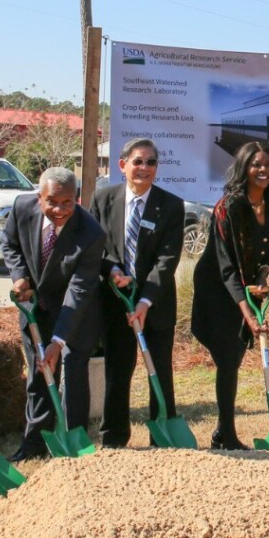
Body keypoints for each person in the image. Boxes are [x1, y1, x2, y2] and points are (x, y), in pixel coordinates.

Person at [2, 166, 105, 461]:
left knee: (73, 371)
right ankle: (34, 443)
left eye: (67, 203)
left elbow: (80, 289)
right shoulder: (21, 208)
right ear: (39, 198)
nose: (59, 210)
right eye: (52, 202)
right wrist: (20, 276)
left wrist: (58, 341)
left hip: (77, 312)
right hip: (35, 310)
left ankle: (74, 440)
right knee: (38, 375)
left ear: (77, 199)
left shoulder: (90, 233)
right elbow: (9, 244)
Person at [90, 138, 184, 448]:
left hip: (155, 304)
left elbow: (167, 259)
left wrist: (145, 301)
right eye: (138, 161)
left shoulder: (171, 205)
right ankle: (114, 438)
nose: (144, 168)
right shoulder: (102, 200)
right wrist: (112, 271)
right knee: (118, 372)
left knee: (159, 370)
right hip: (116, 303)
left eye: (151, 162)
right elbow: (96, 249)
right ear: (123, 165)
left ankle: (163, 434)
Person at [191, 141, 269, 450]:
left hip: (246, 287)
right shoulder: (228, 206)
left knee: (233, 357)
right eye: (256, 165)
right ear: (244, 167)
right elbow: (226, 265)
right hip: (217, 289)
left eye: (268, 165)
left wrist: (261, 278)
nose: (263, 170)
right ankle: (226, 434)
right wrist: (246, 309)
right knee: (229, 357)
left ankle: (222, 432)